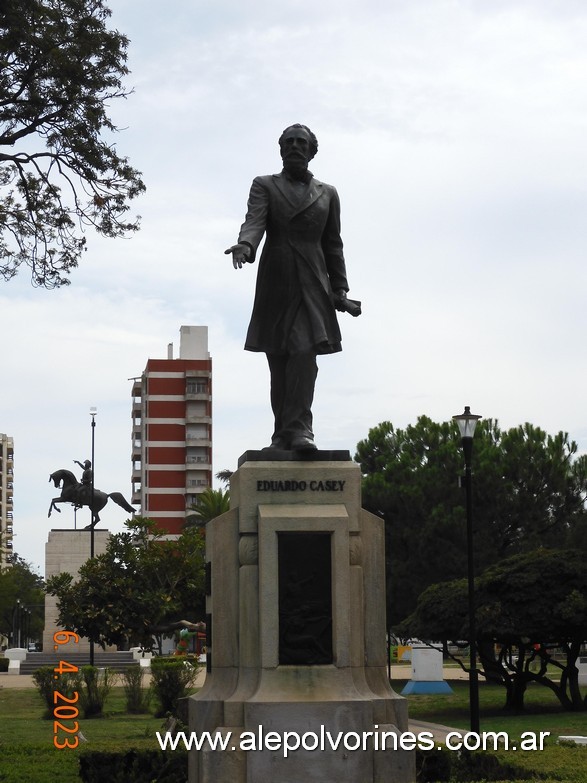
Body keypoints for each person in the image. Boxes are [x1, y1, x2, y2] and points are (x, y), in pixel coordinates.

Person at [225, 123, 360, 451]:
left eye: (302, 142)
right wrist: (246, 245)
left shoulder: (327, 193)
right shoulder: (265, 185)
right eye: (289, 142)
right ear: (281, 148)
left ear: (312, 150)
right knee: (280, 362)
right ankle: (282, 433)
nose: (295, 147)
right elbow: (254, 220)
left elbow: (333, 244)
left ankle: (301, 429)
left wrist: (340, 289)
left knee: (303, 351)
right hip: (277, 280)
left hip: (314, 282)